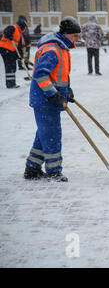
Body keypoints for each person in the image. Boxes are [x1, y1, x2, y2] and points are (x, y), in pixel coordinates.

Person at [23, 16, 81, 182]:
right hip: (45, 100)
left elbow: (59, 75)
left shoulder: (61, 47)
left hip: (49, 99)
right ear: (66, 33)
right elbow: (40, 75)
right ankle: (54, 171)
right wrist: (53, 94)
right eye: (75, 35)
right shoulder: (53, 50)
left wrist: (66, 90)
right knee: (52, 135)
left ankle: (32, 168)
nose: (77, 39)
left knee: (44, 134)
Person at [0, 17, 27, 88]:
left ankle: (12, 83)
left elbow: (19, 47)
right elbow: (6, 31)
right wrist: (9, 35)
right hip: (5, 49)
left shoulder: (19, 34)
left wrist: (20, 56)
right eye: (24, 28)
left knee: (13, 67)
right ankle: (10, 84)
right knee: (9, 67)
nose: (24, 30)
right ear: (22, 26)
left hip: (11, 51)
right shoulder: (13, 27)